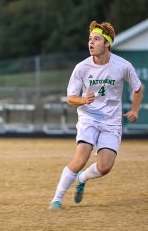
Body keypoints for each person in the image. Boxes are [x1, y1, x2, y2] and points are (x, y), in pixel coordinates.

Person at [49, 21, 144, 210]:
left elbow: (138, 88)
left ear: (107, 43)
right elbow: (70, 98)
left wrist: (135, 110)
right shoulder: (82, 68)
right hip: (89, 118)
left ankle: (82, 178)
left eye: (97, 39)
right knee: (81, 158)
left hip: (111, 121)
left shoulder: (122, 65)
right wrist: (83, 100)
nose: (91, 43)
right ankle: (57, 199)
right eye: (90, 39)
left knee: (105, 167)